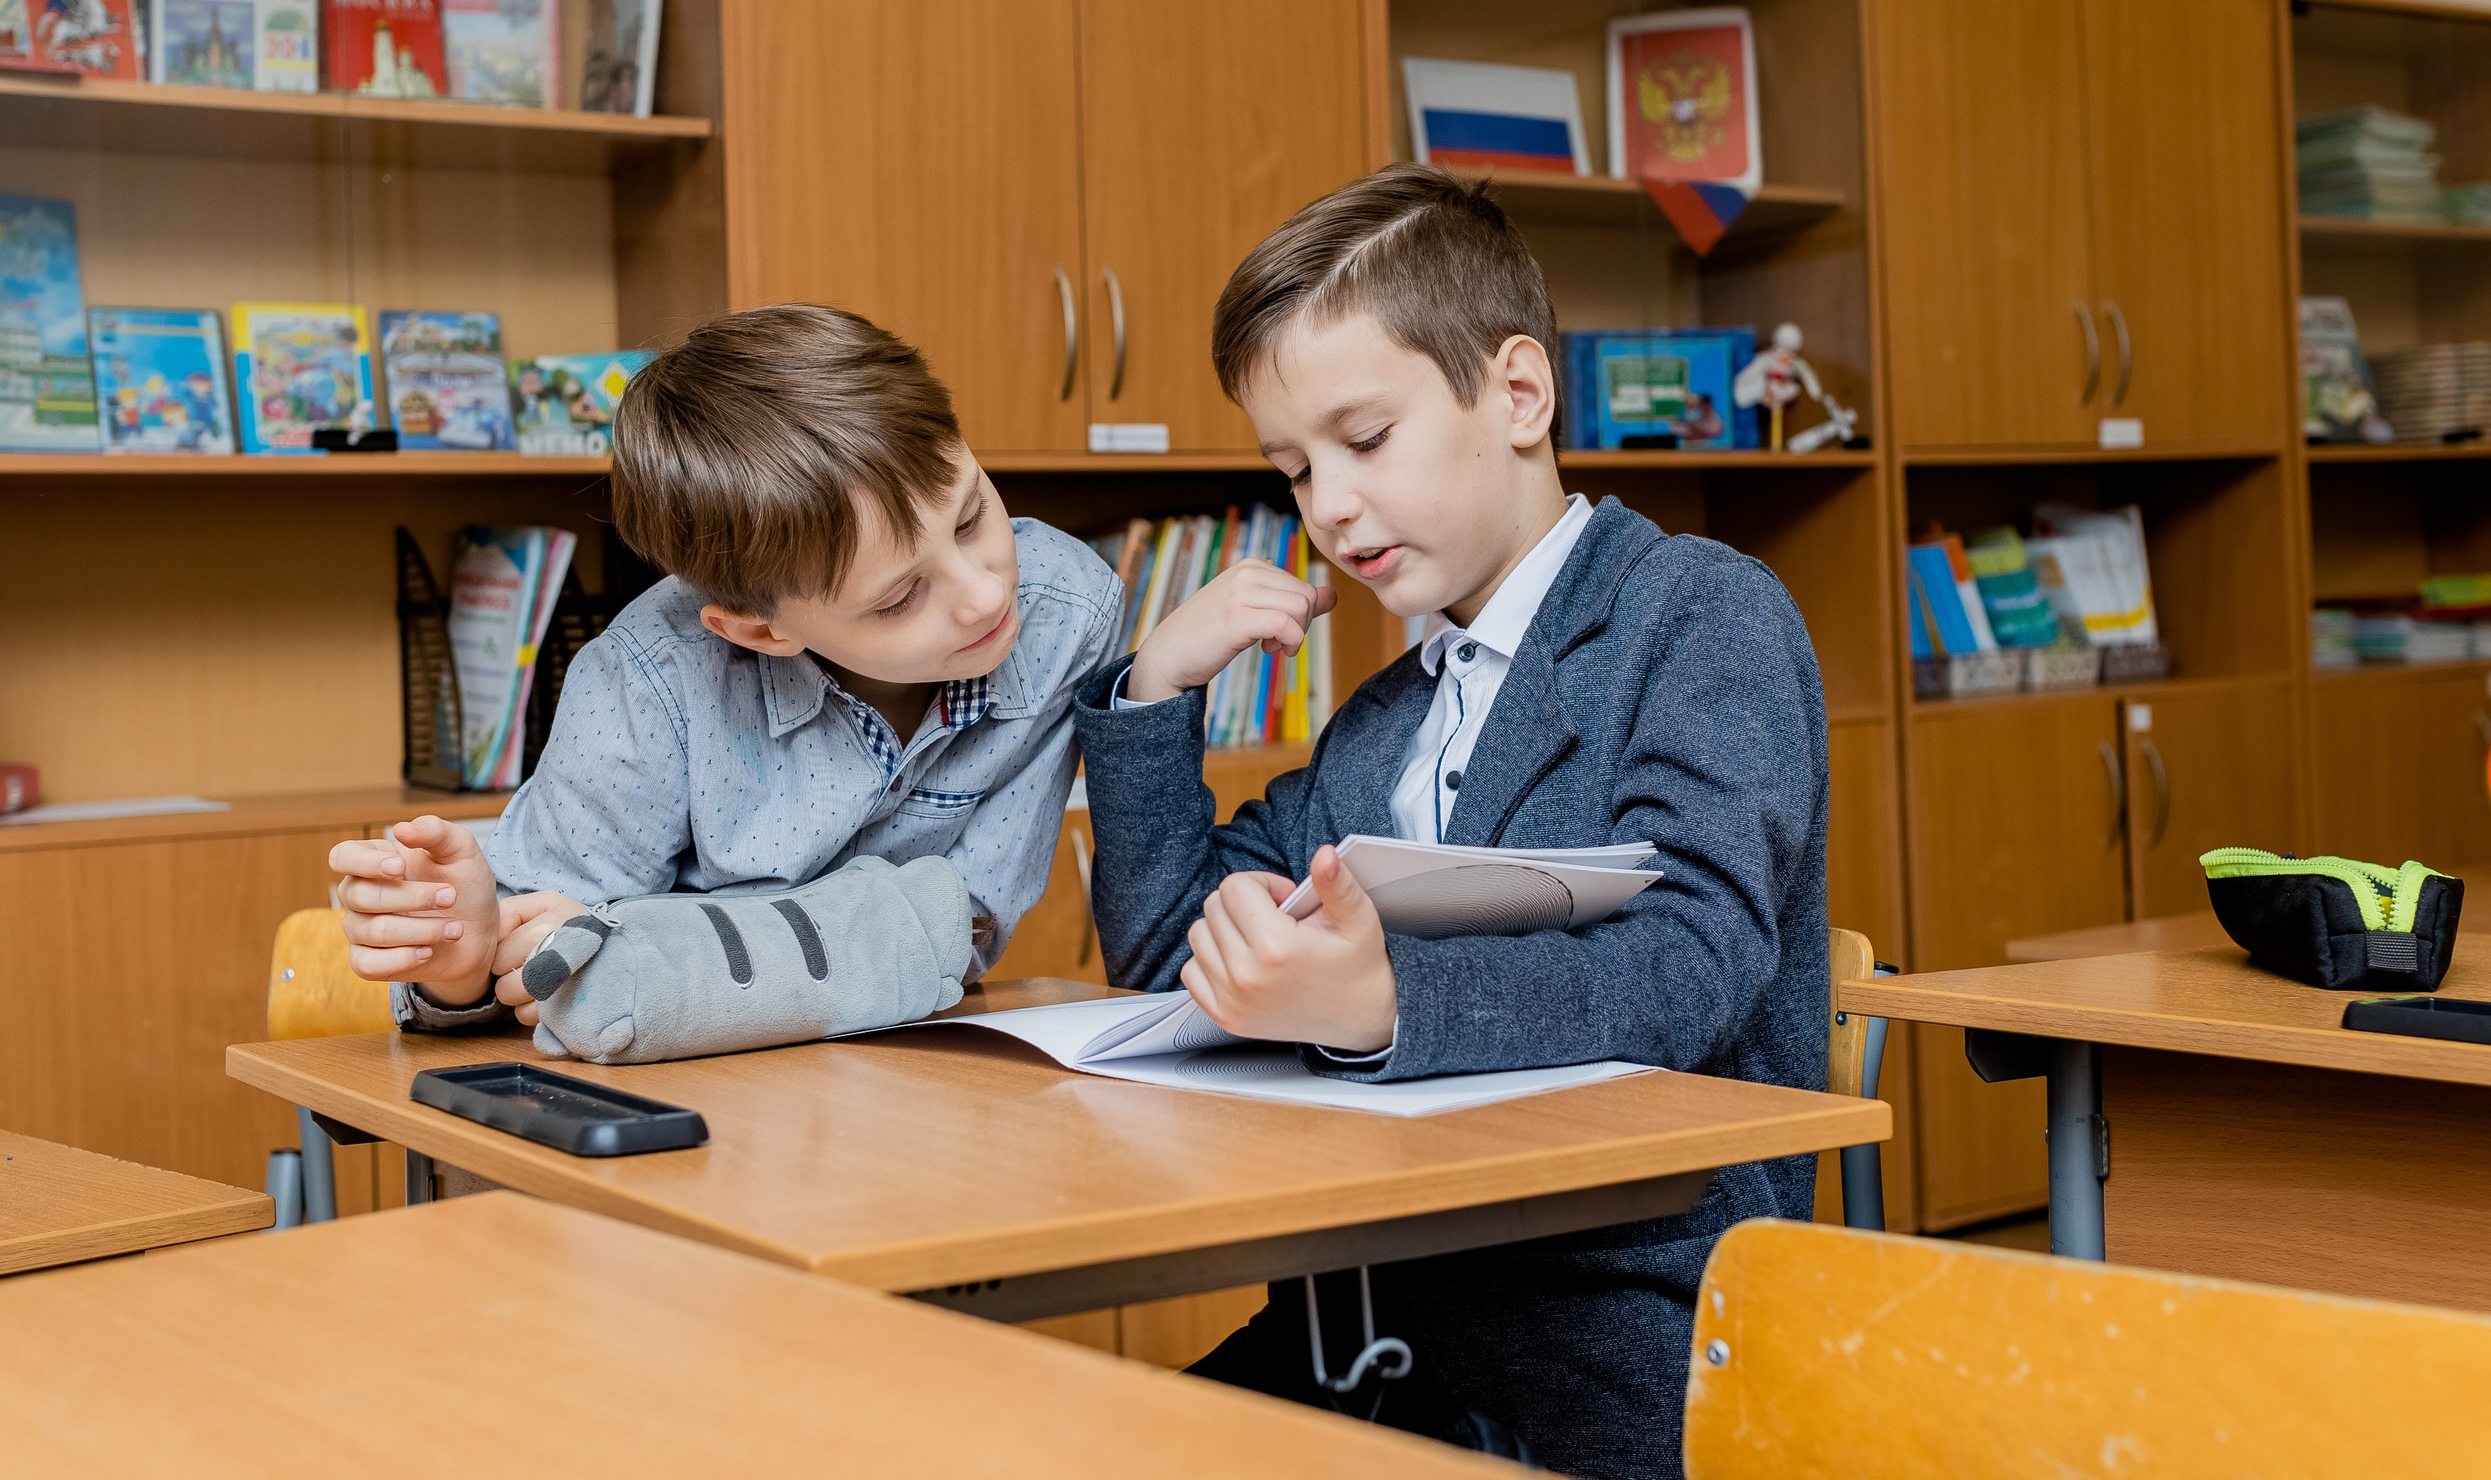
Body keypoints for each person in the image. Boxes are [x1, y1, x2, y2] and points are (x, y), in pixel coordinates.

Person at [1072, 165, 1828, 1479]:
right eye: (1295, 467)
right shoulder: (1384, 716)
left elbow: (1688, 962)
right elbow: (1159, 964)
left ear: (1518, 394)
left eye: (1365, 440)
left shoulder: (1696, 614)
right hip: (1369, 1327)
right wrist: (1151, 696)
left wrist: (1385, 999)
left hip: (1609, 1346)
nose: (1329, 505)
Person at [330, 304, 1122, 1036]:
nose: (985, 595)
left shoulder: (1066, 611)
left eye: (973, 514)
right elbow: (544, 964)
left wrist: (661, 953)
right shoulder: (649, 681)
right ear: (759, 627)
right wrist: (464, 968)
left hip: (901, 1071)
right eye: (900, 597)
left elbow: (965, 929)